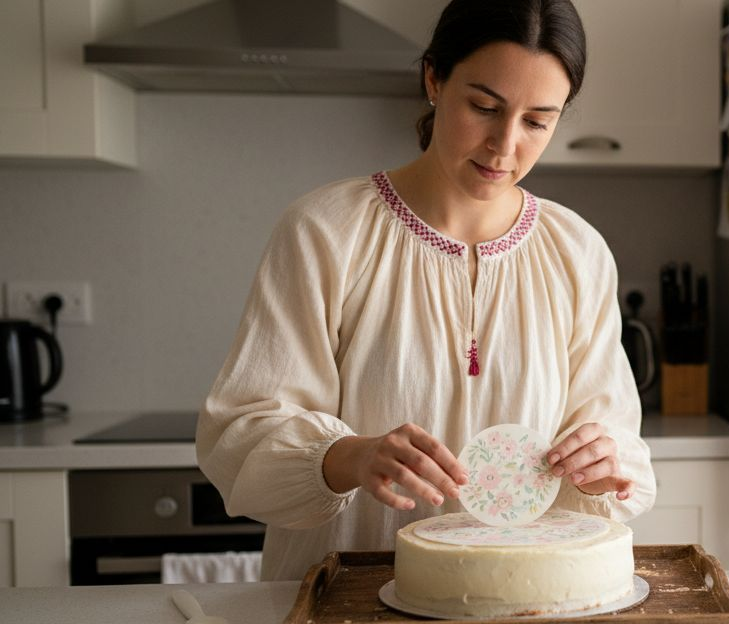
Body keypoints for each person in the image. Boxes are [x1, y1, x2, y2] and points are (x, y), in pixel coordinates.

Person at [196, 0, 655, 581]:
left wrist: (604, 462)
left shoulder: (577, 252)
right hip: (347, 607)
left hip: (519, 607)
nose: (505, 145)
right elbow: (240, 433)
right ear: (434, 79)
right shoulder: (325, 232)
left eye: (538, 121)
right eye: (484, 106)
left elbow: (615, 440)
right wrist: (349, 456)